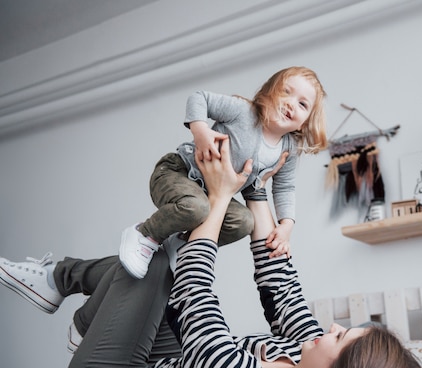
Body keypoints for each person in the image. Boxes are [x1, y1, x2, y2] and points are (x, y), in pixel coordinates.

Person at [0, 138, 422, 368]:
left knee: (162, 258)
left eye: (341, 337)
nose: (332, 326)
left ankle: (71, 294)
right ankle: (69, 292)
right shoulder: (300, 355)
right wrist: (258, 185)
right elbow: (281, 286)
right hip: (162, 365)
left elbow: (195, 294)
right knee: (152, 255)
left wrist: (219, 196)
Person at [119, 66, 328, 279]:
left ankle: (183, 243)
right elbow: (199, 98)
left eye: (302, 104)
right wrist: (200, 130)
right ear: (267, 92)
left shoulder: (288, 148)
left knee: (244, 222)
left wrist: (286, 226)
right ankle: (145, 233)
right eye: (286, 91)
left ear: (305, 123)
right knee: (196, 207)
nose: (291, 103)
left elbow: (285, 187)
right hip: (178, 171)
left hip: (211, 195)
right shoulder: (243, 111)